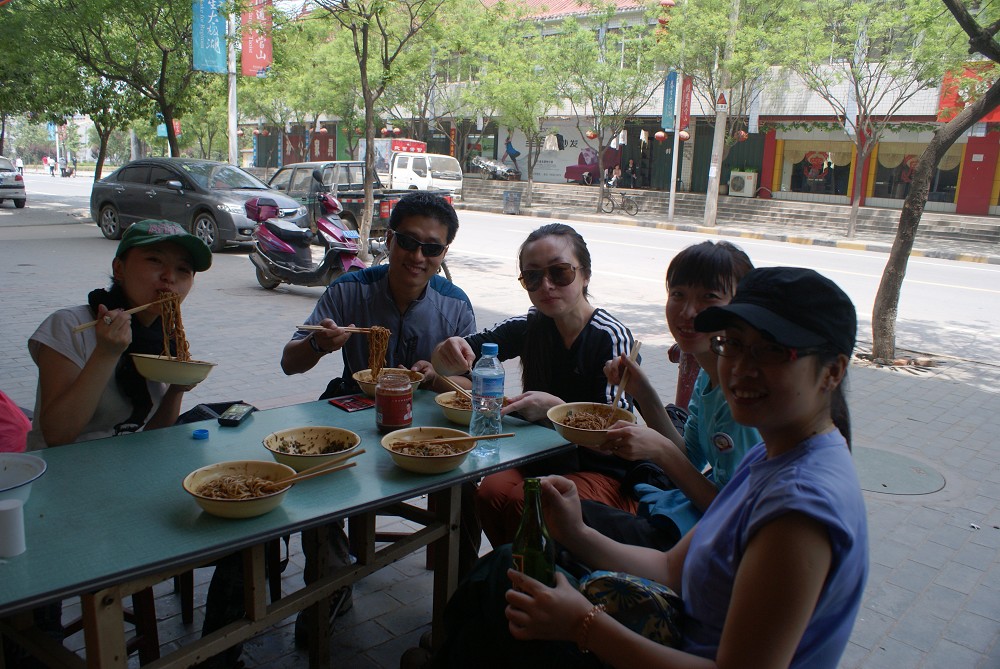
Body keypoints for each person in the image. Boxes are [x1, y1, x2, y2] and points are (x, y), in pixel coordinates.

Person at [429, 266, 868, 669]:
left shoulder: (799, 511)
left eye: (771, 351)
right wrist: (576, 532)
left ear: (832, 372)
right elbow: (673, 568)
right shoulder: (772, 454)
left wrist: (583, 624)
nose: (740, 368)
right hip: (673, 626)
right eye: (733, 344)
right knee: (509, 571)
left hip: (677, 645)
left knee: (503, 596)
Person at [200, 192, 478, 664]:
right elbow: (289, 362)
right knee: (315, 475)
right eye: (408, 242)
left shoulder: (454, 305)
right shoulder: (349, 290)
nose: (418, 256)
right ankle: (329, 585)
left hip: (423, 423)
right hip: (351, 407)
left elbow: (473, 384)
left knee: (468, 484)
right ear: (389, 240)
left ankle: (461, 604)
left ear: (443, 252)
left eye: (432, 248)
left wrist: (438, 376)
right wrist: (321, 345)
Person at [432, 223, 636, 549]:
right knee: (489, 493)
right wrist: (447, 351)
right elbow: (457, 357)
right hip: (541, 457)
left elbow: (616, 438)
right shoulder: (530, 325)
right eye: (533, 276)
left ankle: (541, 570)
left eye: (560, 272)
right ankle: (517, 566)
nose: (547, 285)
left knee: (527, 503)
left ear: (585, 275)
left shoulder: (609, 336)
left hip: (600, 469)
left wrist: (556, 410)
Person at [581, 240, 760, 551]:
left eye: (709, 297)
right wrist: (643, 393)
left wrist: (660, 450)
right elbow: (690, 457)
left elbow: (735, 514)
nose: (688, 312)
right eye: (678, 295)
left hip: (724, 544)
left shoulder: (742, 397)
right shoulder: (708, 376)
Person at [27, 219, 211, 450]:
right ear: (119, 269)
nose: (169, 276)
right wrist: (106, 353)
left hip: (128, 462)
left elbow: (151, 434)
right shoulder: (69, 326)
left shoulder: (164, 340)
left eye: (183, 269)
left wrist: (177, 388)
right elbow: (57, 435)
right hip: (62, 465)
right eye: (155, 260)